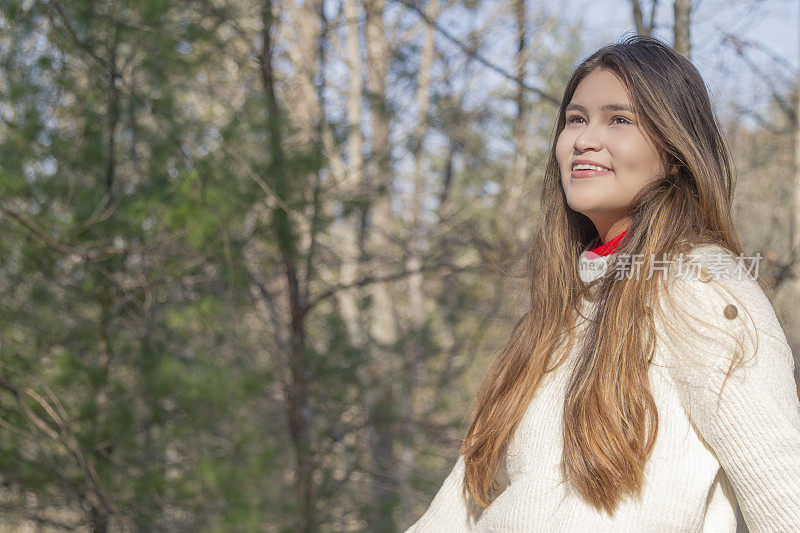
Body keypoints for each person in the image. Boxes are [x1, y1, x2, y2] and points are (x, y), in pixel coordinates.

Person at [405, 35, 800, 532]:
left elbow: (784, 491)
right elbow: (457, 511)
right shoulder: (554, 315)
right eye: (575, 119)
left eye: (619, 119)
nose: (585, 139)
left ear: (674, 149)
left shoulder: (702, 285)